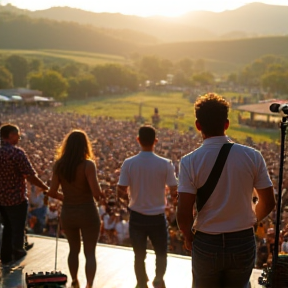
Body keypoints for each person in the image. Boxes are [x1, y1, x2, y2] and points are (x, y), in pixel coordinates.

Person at [176, 93, 276, 288]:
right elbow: (269, 201)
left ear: (198, 125)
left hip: (206, 241)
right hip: (242, 239)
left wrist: (188, 237)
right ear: (227, 124)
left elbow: (183, 211)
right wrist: (253, 221)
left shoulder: (189, 161)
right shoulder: (252, 156)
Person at [117, 125, 178, 288]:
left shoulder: (129, 163)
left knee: (139, 254)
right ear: (155, 141)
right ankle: (158, 279)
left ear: (138, 140)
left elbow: (120, 190)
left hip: (137, 215)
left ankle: (141, 282)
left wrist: (129, 200)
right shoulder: (165, 164)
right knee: (161, 253)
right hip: (158, 216)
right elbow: (174, 189)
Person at [46, 130, 102, 288]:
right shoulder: (88, 165)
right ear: (85, 146)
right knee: (90, 252)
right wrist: (104, 194)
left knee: (73, 250)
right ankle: (89, 284)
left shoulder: (59, 165)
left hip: (68, 212)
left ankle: (74, 280)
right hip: (88, 212)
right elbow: (96, 194)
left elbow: (51, 192)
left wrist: (65, 197)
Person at [0, 124, 49, 265]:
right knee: (18, 227)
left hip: (1, 199)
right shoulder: (16, 153)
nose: (19, 137)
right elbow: (30, 176)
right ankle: (17, 250)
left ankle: (6, 255)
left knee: (8, 226)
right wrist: (45, 187)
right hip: (16, 198)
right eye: (17, 135)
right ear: (10, 135)